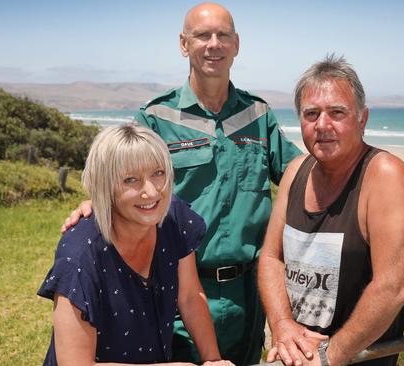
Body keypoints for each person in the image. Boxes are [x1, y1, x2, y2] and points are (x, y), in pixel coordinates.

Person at [61, 3, 301, 364]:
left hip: (248, 295)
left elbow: (299, 174)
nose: (213, 44)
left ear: (237, 44)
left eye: (223, 36)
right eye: (202, 35)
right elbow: (122, 175)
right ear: (183, 44)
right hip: (176, 288)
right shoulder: (156, 117)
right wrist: (97, 203)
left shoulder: (258, 114)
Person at [257, 55, 404, 366]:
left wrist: (331, 356)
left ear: (362, 118)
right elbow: (270, 257)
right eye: (311, 114)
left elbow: (395, 286)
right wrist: (281, 324)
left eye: (337, 113)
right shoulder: (295, 171)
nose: (322, 125)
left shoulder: (384, 175)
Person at [39, 125, 232, 365]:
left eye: (158, 173)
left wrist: (213, 360)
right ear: (104, 185)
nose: (151, 192)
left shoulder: (173, 218)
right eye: (131, 179)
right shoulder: (79, 256)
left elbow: (190, 296)